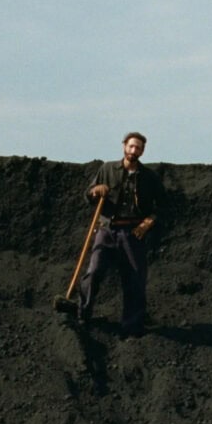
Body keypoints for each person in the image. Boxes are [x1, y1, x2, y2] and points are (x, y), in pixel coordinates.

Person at [76, 131, 163, 338]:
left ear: (143, 151)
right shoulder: (107, 169)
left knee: (134, 278)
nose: (134, 151)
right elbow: (87, 195)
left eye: (139, 148)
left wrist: (148, 222)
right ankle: (82, 316)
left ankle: (132, 327)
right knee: (94, 272)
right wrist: (96, 190)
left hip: (133, 233)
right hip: (106, 230)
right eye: (131, 146)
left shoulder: (149, 178)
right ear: (124, 146)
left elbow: (163, 205)